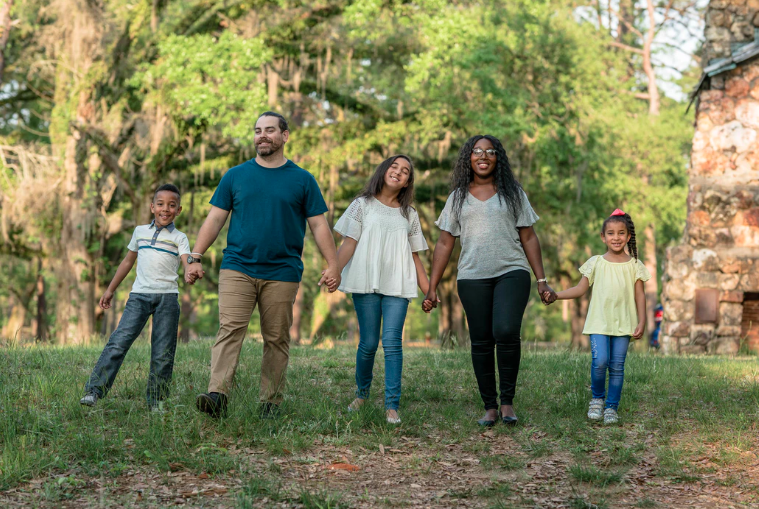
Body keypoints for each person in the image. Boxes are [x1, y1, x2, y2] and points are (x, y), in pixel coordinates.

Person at [186, 111, 340, 419]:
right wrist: (196, 256)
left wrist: (333, 264)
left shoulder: (303, 180)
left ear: (285, 136)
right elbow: (215, 218)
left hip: (282, 271)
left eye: (270, 130)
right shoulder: (235, 176)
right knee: (230, 329)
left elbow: (319, 226)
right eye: (258, 131)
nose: (262, 136)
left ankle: (270, 402)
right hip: (237, 266)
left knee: (276, 337)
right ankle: (217, 395)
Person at [423, 135, 555, 427]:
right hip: (472, 276)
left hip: (512, 271)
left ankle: (507, 403)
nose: (483, 156)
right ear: (468, 158)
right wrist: (432, 286)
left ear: (498, 158)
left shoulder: (513, 193)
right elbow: (445, 244)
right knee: (481, 340)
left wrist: (541, 279)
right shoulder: (457, 197)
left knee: (506, 330)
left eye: (490, 151)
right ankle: (490, 407)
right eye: (477, 151)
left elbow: (529, 236)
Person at [333, 155, 431, 424]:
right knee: (368, 344)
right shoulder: (361, 205)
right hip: (366, 281)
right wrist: (334, 270)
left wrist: (428, 290)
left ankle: (391, 406)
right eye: (394, 167)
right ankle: (362, 394)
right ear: (384, 170)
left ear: (408, 181)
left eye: (405, 171)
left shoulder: (409, 215)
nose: (398, 172)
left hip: (397, 284)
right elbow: (348, 244)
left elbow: (415, 257)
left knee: (392, 343)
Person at [80, 184, 190, 412]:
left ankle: (156, 401)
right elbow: (128, 262)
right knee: (119, 342)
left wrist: (191, 269)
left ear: (179, 210)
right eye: (160, 204)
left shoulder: (180, 237)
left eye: (172, 205)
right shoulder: (140, 232)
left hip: (167, 299)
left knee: (163, 351)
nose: (165, 209)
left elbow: (186, 259)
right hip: (139, 296)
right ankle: (94, 391)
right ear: (152, 207)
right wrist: (110, 289)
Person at [544, 209, 650, 424]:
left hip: (624, 324)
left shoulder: (635, 266)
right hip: (599, 322)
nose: (616, 238)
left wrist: (642, 321)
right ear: (603, 237)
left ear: (629, 236)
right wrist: (556, 295)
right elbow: (580, 289)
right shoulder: (595, 262)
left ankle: (612, 407)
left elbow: (640, 296)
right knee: (600, 361)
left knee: (617, 366)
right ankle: (597, 399)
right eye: (611, 233)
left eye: (621, 233)